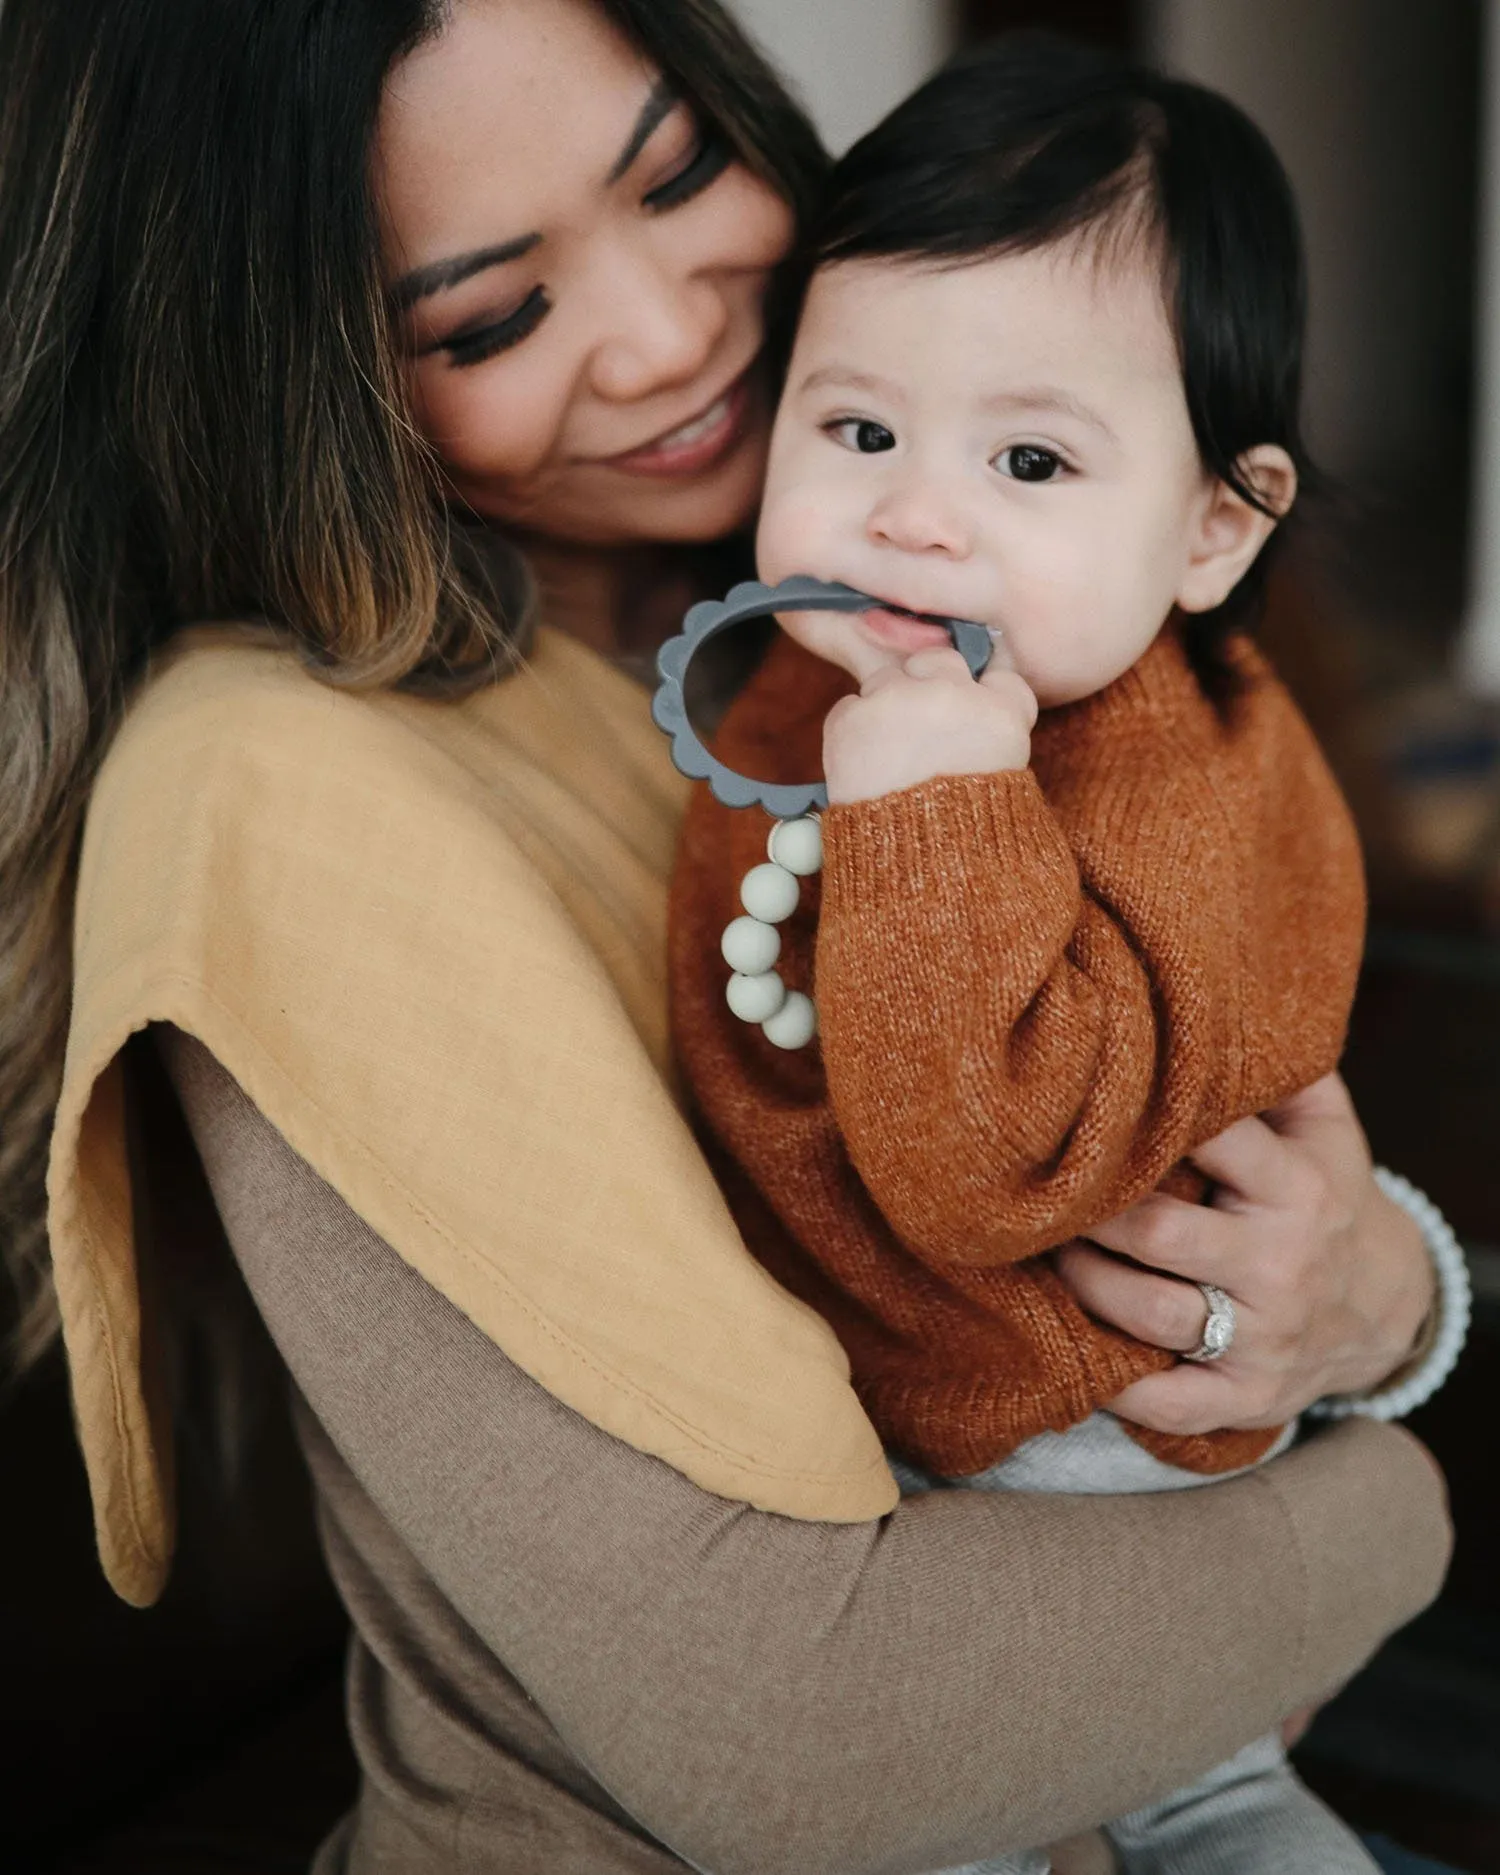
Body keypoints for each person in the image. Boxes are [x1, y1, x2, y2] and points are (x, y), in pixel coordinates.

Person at [0, 2, 1454, 1871]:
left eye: (680, 172)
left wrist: (1388, 1297)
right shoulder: (278, 794)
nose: (676, 332)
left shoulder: (946, 570)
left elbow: (1241, 1105)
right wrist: (1389, 1516)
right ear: (291, 375)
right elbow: (797, 1742)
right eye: (490, 316)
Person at [668, 37, 1448, 1875]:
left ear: (1208, 526)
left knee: (1222, 1809)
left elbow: (981, 1167)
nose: (916, 514)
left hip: (1070, 1456)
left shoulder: (1154, 780)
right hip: (915, 1446)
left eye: (1029, 457)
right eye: (856, 429)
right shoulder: (816, 672)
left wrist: (936, 817)